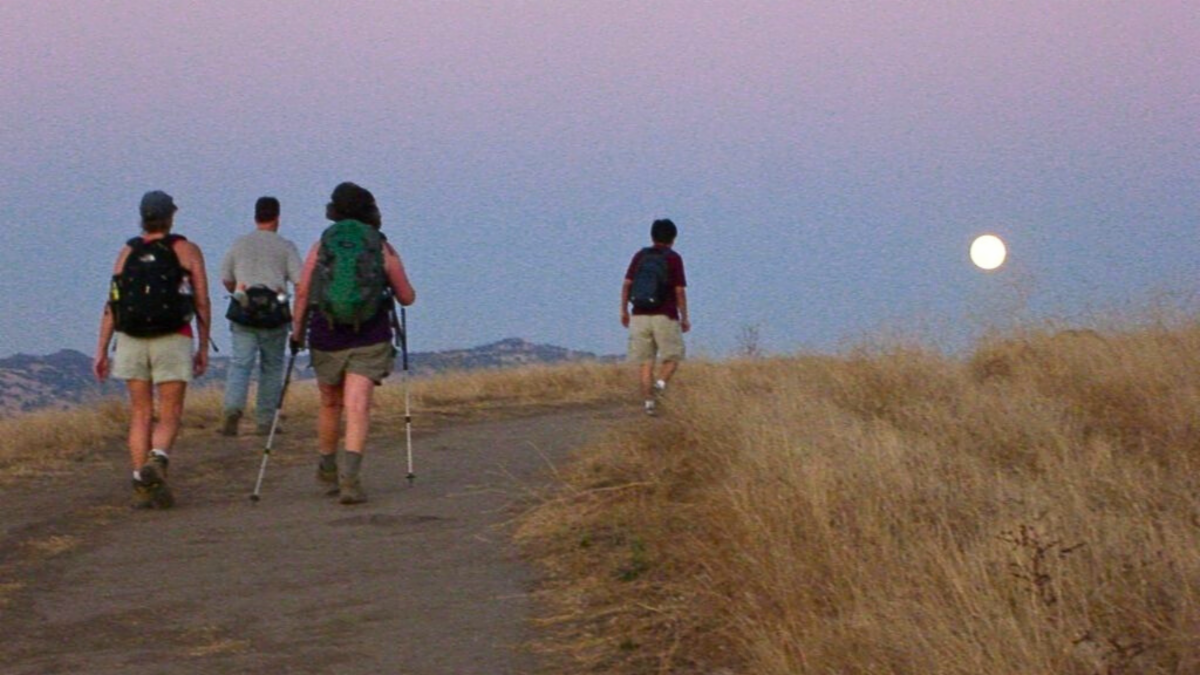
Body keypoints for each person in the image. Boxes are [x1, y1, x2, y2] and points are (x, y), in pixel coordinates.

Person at [291, 182, 416, 505]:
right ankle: (351, 479)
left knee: (330, 403)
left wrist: (296, 331)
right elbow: (406, 296)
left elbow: (303, 292)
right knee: (358, 405)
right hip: (369, 334)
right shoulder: (381, 246)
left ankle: (327, 468)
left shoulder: (322, 245)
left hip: (326, 333)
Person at [93, 190, 212, 509]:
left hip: (131, 339)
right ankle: (157, 460)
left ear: (143, 218)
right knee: (170, 412)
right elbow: (201, 301)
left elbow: (112, 304)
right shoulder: (186, 250)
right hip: (173, 337)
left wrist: (101, 349)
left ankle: (140, 483)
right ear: (170, 217)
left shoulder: (127, 252)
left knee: (140, 413)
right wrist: (203, 345)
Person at [218, 196, 303, 436]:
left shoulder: (240, 244)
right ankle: (265, 421)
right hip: (274, 314)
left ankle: (232, 409)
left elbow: (226, 279)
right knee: (272, 367)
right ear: (277, 217)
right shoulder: (286, 246)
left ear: (255, 216)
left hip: (244, 311)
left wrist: (238, 289)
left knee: (240, 363)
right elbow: (300, 282)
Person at [620, 218, 690, 416]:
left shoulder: (640, 256)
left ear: (652, 236)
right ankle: (660, 384)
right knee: (673, 357)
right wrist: (684, 317)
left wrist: (624, 311)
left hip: (639, 315)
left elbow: (626, 285)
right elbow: (679, 291)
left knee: (646, 362)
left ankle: (649, 405)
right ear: (673, 238)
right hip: (665, 315)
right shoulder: (673, 258)